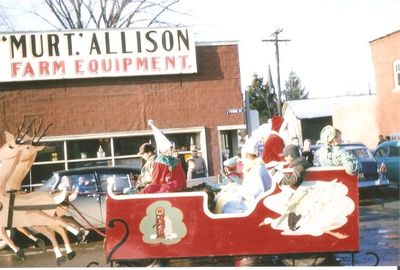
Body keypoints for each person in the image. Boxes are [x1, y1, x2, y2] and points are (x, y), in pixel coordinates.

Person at [215, 137, 273, 214]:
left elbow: (254, 196)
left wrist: (237, 189)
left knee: (226, 207)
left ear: (247, 155)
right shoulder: (256, 168)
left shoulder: (257, 170)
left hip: (254, 209)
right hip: (252, 204)